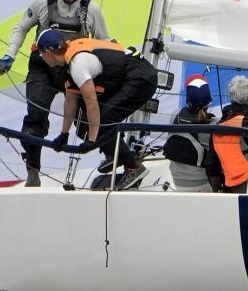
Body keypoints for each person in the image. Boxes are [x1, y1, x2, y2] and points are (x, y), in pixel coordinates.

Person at [0, 0, 109, 187]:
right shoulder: (42, 2)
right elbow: (21, 27)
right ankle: (33, 169)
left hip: (73, 67)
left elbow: (104, 41)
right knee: (35, 115)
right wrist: (10, 55)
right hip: (42, 67)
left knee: (92, 115)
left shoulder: (92, 10)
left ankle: (111, 155)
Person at [35, 28, 158, 189]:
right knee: (85, 126)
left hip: (141, 77)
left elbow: (92, 104)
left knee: (103, 122)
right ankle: (114, 152)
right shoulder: (67, 61)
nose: (41, 57)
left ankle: (133, 167)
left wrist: (92, 141)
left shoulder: (77, 64)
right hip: (125, 75)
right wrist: (64, 134)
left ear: (47, 53)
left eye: (40, 54)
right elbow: (71, 100)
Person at [163, 73, 217, 192]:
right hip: (202, 184)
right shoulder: (212, 126)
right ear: (210, 100)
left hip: (177, 182)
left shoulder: (175, 114)